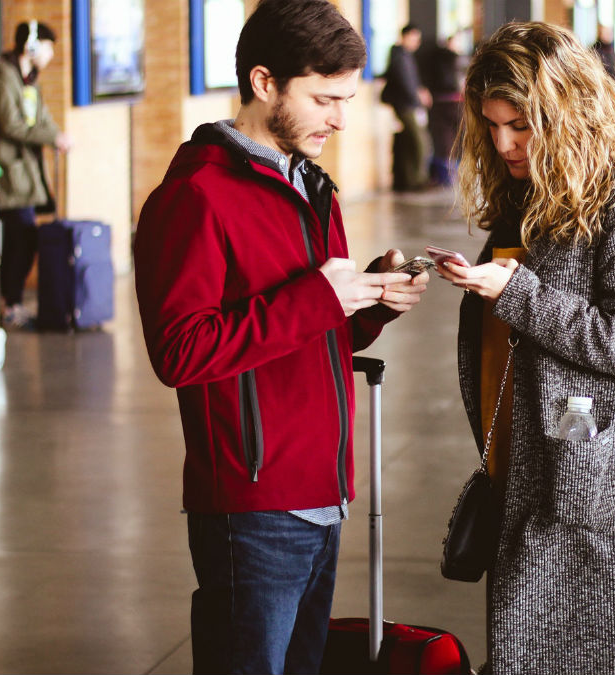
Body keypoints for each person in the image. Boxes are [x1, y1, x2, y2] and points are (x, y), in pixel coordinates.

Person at [132, 1, 429, 673]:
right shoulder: (195, 196)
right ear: (264, 83)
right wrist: (320, 295)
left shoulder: (310, 185)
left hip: (322, 493)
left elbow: (309, 328)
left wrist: (374, 300)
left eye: (348, 99)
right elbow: (181, 350)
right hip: (252, 504)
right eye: (325, 98)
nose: (340, 118)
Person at [436, 21, 615, 673]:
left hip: (601, 498)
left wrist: (516, 292)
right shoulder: (525, 200)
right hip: (530, 481)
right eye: (491, 126)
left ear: (566, 112)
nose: (504, 142)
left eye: (519, 124)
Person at [0, 20, 73, 329]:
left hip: (26, 171)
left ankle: (12, 303)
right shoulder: (3, 80)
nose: (50, 56)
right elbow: (11, 125)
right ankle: (10, 305)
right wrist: (50, 137)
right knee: (20, 237)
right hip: (8, 171)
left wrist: (57, 135)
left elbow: (41, 118)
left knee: (23, 238)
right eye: (47, 48)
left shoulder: (29, 81)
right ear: (30, 47)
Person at [381, 24, 431, 191]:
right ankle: (417, 180)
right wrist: (418, 99)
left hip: (409, 104)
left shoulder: (404, 55)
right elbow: (406, 83)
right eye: (414, 38)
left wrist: (420, 92)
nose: (417, 42)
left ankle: (413, 179)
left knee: (412, 142)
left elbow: (412, 82)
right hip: (406, 105)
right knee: (419, 142)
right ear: (405, 36)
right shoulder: (399, 55)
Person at [424, 35, 466, 186]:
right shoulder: (459, 60)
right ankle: (454, 176)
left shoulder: (432, 59)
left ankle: (446, 178)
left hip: (440, 103)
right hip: (457, 104)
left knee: (443, 142)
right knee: (459, 140)